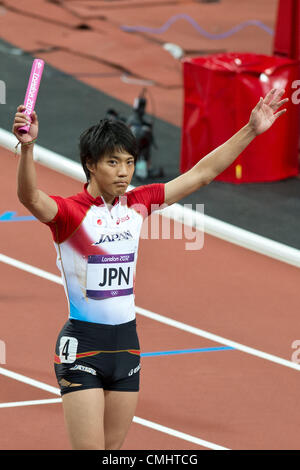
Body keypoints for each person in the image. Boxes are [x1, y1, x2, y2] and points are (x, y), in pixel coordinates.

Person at [12, 88, 288, 450]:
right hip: (83, 348)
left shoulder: (138, 203)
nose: (124, 172)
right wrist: (28, 148)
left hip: (127, 346)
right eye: (113, 163)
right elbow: (30, 198)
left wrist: (251, 129)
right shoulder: (69, 213)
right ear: (90, 164)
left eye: (129, 162)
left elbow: (202, 174)